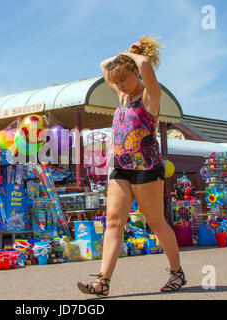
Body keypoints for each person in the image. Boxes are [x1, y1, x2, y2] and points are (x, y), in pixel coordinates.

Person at [77, 37, 186, 297]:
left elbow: (146, 62)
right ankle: (103, 282)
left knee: (156, 222)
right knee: (114, 221)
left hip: (146, 168)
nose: (119, 85)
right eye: (116, 82)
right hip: (120, 167)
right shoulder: (122, 97)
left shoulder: (151, 96)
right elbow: (103, 65)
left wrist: (135, 56)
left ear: (136, 74)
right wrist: (123, 56)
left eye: (124, 79)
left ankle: (177, 273)